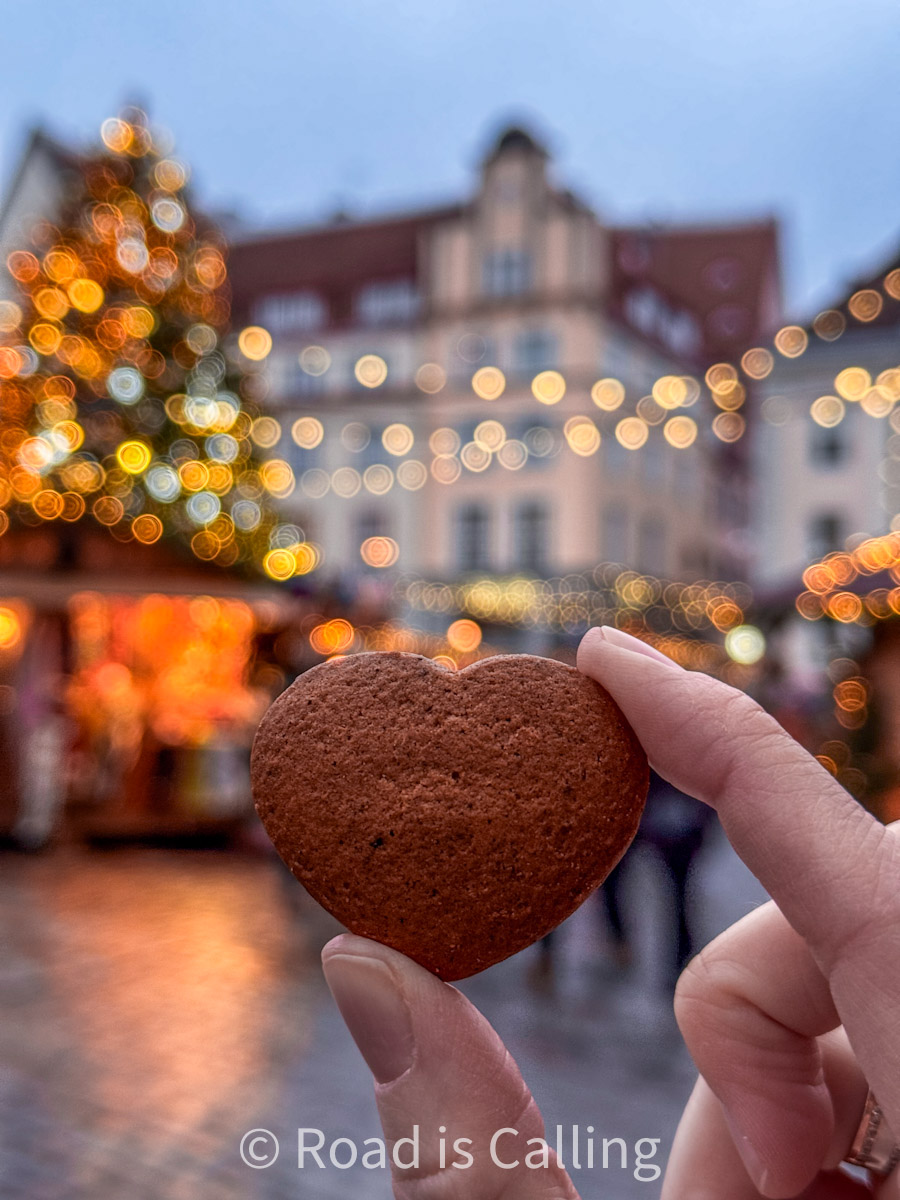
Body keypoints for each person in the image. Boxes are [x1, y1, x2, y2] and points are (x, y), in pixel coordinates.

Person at [319, 626, 900, 1196]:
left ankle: (648, 958)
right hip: (632, 845)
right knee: (651, 905)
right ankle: (652, 959)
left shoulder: (586, 750)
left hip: (646, 838)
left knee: (653, 905)